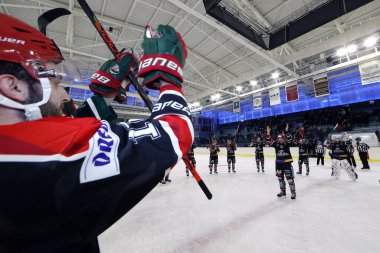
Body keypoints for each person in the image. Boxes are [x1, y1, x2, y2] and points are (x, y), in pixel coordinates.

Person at [0, 14, 192, 253]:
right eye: (56, 84)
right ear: (13, 86)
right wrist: (169, 80)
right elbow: (171, 135)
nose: (66, 96)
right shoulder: (48, 158)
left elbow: (69, 129)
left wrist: (104, 97)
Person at [266, 124, 296, 200]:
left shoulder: (287, 143)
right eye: (278, 138)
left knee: (289, 178)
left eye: (281, 138)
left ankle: (293, 192)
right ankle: (283, 191)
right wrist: (268, 133)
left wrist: (286, 131)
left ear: (283, 138)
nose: (279, 139)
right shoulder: (276, 143)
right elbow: (269, 142)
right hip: (278, 164)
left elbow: (289, 137)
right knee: (280, 178)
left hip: (287, 163)